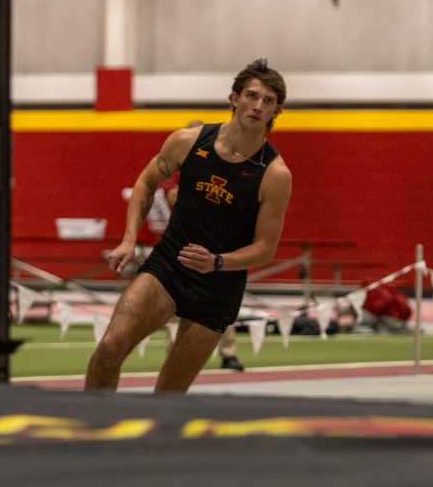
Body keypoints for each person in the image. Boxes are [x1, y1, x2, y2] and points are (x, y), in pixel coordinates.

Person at [86, 59, 292, 393]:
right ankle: (89, 433)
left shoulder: (275, 174)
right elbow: (145, 184)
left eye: (267, 101)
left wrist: (219, 262)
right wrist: (127, 240)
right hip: (169, 266)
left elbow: (264, 248)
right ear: (234, 97)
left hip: (218, 286)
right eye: (251, 95)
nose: (257, 105)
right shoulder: (189, 141)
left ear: (276, 111)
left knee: (169, 393)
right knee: (109, 347)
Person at [159, 128, 245, 373]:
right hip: (183, 247)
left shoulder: (226, 169)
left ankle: (228, 354)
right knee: (176, 303)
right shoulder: (180, 171)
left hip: (217, 247)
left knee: (220, 300)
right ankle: (173, 354)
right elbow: (172, 196)